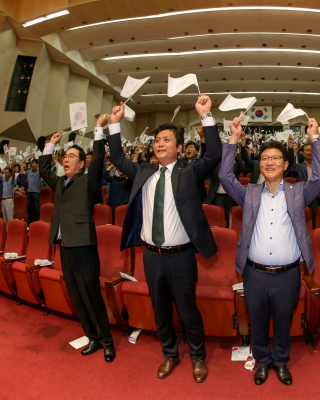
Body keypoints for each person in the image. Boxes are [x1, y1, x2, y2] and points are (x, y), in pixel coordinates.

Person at [107, 94, 221, 383]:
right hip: (152, 256)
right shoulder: (144, 171)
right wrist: (114, 125)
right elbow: (118, 157)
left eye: (167, 140)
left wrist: (206, 115)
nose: (160, 144)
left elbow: (213, 156)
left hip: (181, 256)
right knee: (160, 311)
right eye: (157, 140)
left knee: (187, 310)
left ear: (179, 147)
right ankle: (169, 354)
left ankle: (197, 357)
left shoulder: (189, 171)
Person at [219, 117, 320, 386]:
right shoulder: (250, 193)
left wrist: (314, 138)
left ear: (286, 164)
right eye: (265, 157)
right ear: (261, 163)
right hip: (253, 274)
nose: (270, 162)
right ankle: (262, 361)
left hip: (287, 274)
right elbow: (224, 176)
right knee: (257, 322)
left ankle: (280, 362)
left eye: (276, 158)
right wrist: (233, 139)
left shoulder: (298, 192)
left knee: (282, 321)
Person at [39, 115, 115, 363]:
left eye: (72, 156)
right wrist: (50, 145)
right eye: (65, 156)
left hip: (83, 245)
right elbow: (43, 168)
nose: (66, 159)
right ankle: (92, 336)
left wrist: (99, 129)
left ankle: (106, 341)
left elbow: (98, 162)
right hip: (65, 246)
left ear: (82, 164)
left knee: (91, 293)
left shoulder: (88, 180)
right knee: (76, 295)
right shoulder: (60, 182)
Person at [20, 158, 41, 222]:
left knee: (36, 208)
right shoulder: (29, 171)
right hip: (30, 192)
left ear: (37, 164)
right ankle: (30, 222)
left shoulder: (40, 171)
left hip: (36, 192)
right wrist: (21, 164)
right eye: (32, 163)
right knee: (30, 208)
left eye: (34, 163)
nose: (33, 165)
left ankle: (37, 221)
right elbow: (22, 172)